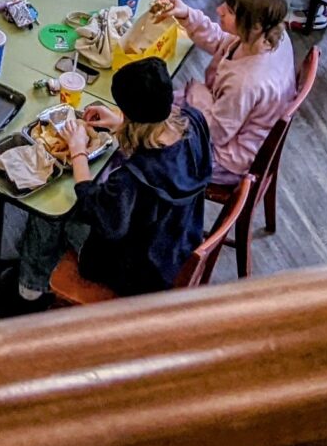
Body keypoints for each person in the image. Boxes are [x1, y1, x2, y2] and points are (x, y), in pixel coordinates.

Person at [11, 56, 212, 304]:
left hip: (131, 270)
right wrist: (119, 121)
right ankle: (38, 257)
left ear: (134, 117)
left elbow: (95, 212)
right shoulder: (194, 121)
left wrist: (78, 151)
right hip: (176, 240)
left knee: (52, 209)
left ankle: (31, 287)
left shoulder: (135, 179)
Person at [147, 0, 297, 185]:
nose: (219, 10)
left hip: (227, 158)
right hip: (222, 115)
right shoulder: (269, 35)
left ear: (256, 25)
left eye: (229, 11)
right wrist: (187, 15)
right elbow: (221, 41)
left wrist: (199, 98)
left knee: (145, 147)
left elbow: (215, 134)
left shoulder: (246, 82)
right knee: (150, 110)